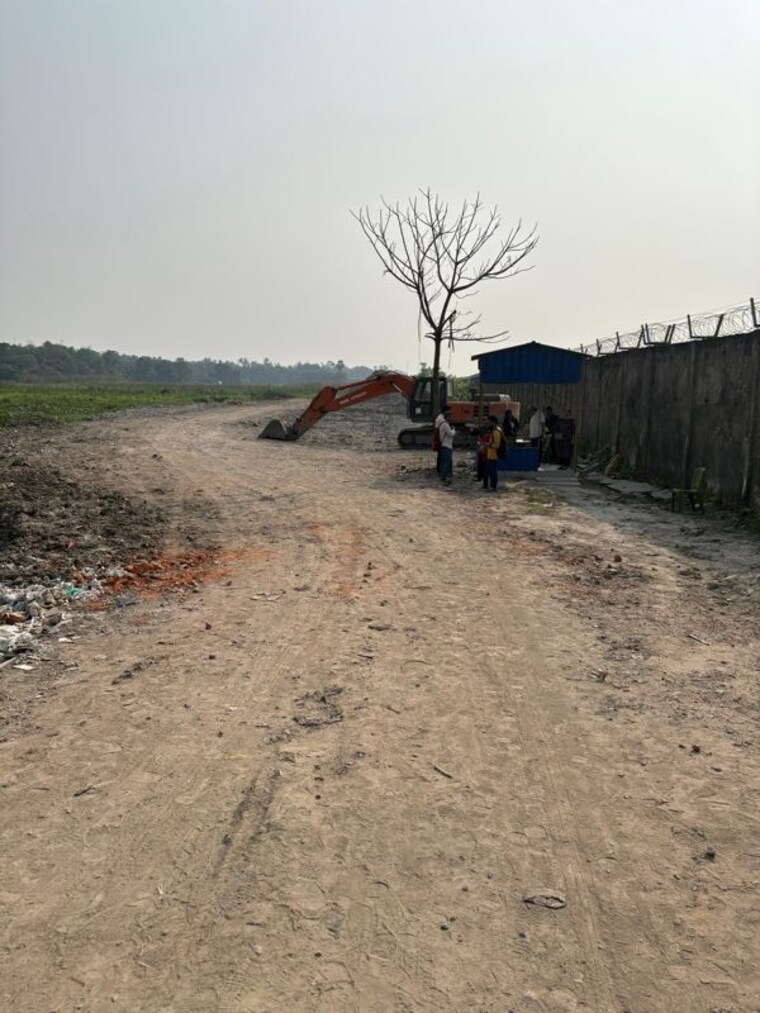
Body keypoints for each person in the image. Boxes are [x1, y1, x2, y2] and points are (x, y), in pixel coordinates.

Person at [483, 415, 503, 492]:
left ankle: (493, 486)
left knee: (493, 472)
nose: (488, 423)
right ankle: (491, 486)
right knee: (491, 471)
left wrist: (488, 445)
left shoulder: (496, 432)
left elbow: (497, 445)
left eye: (489, 422)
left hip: (493, 455)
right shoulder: (494, 431)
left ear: (493, 422)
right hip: (490, 455)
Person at [438, 407, 455, 485]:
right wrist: (453, 430)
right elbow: (451, 434)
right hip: (447, 445)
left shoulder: (443, 424)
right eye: (450, 416)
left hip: (444, 445)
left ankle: (442, 476)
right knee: (447, 462)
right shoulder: (445, 425)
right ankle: (443, 477)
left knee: (443, 462)